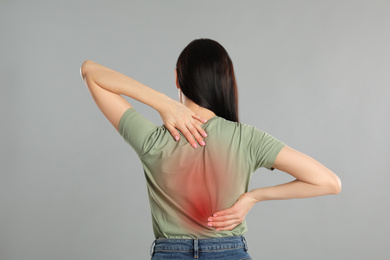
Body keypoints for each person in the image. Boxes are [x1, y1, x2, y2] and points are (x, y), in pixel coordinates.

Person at [80, 38, 341, 260]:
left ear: (176, 78)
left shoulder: (152, 139)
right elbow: (329, 182)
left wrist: (162, 103)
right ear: (225, 81)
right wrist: (253, 197)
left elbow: (89, 71)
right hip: (230, 251)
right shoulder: (246, 138)